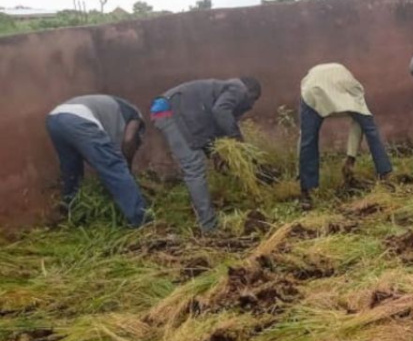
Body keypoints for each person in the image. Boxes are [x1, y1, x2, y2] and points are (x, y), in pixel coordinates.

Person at [151, 77, 261, 232]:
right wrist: (237, 139)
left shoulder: (215, 94)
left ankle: (207, 223)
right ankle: (209, 228)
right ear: (250, 91)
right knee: (194, 167)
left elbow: (207, 123)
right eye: (254, 99)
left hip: (176, 112)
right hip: (167, 110)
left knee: (195, 166)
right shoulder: (238, 88)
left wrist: (214, 153)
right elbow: (221, 110)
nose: (251, 105)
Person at [298, 63, 393, 208]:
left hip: (315, 88)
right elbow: (360, 122)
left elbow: (305, 139)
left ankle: (308, 192)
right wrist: (351, 158)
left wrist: (350, 157)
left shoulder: (353, 90)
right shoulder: (357, 92)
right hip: (314, 90)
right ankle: (385, 174)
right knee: (370, 129)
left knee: (308, 139)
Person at [45, 94, 148, 227]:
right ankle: (142, 219)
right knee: (114, 166)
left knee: (71, 169)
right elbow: (128, 141)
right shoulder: (135, 115)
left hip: (54, 119)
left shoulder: (113, 111)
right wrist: (127, 168)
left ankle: (71, 209)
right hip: (79, 119)